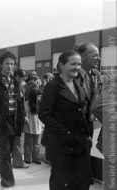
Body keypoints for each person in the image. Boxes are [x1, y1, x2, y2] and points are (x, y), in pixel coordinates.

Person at [38, 50, 92, 190]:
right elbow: (44, 114)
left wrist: (88, 134)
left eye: (79, 64)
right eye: (73, 64)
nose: (77, 67)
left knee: (82, 179)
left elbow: (82, 111)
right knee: (61, 181)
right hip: (61, 144)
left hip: (80, 142)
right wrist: (65, 132)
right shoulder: (52, 86)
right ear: (61, 65)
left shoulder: (77, 84)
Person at [0, 51, 25, 189]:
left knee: (9, 151)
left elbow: (19, 101)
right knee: (6, 151)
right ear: (0, 65)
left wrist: (23, 116)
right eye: (7, 63)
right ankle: (7, 182)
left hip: (15, 121)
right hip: (2, 123)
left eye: (12, 63)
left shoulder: (15, 81)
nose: (9, 66)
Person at [74, 43, 102, 138]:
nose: (99, 58)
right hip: (72, 126)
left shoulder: (96, 74)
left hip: (89, 124)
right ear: (84, 57)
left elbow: (97, 94)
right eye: (95, 56)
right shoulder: (71, 75)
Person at [23, 87, 43, 165]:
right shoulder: (27, 103)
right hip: (29, 125)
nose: (39, 97)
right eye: (38, 96)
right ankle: (27, 158)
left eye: (40, 96)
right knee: (28, 143)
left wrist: (43, 124)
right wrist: (25, 117)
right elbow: (25, 113)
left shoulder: (41, 103)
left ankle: (35, 158)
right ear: (33, 96)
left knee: (37, 143)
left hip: (38, 125)